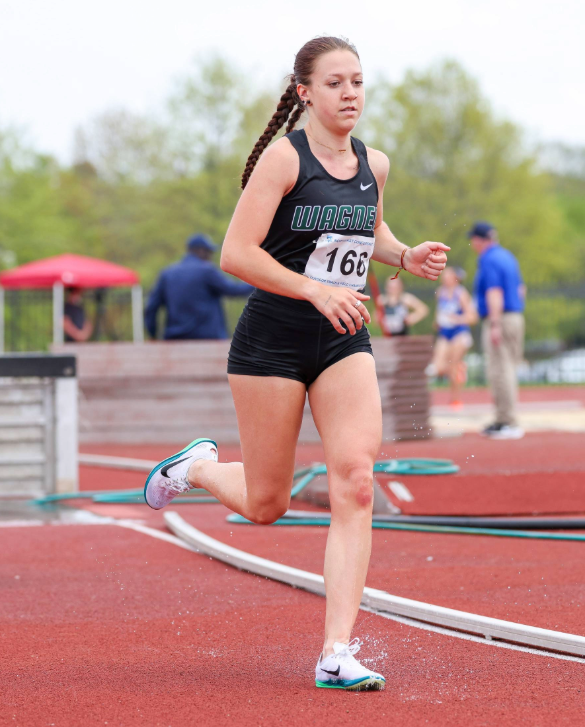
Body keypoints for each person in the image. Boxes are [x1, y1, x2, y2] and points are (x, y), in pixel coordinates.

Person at [140, 37, 449, 691]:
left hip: (342, 339)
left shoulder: (375, 162)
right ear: (305, 92)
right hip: (273, 343)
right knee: (265, 502)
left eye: (358, 82)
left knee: (357, 481)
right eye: (335, 83)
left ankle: (337, 649)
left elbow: (369, 231)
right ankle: (194, 466)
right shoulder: (284, 160)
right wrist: (313, 288)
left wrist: (404, 256)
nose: (351, 95)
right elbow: (236, 253)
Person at [469, 221, 526, 439]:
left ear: (481, 240)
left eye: (474, 239)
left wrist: (494, 323)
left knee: (500, 370)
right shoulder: (507, 256)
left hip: (500, 317)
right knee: (508, 368)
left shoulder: (488, 258)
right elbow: (521, 289)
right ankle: (505, 418)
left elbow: (494, 292)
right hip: (515, 316)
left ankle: (507, 421)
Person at [144, 234, 256, 340]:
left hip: (175, 340)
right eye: (209, 252)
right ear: (201, 251)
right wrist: (257, 282)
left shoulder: (167, 274)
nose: (210, 257)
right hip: (209, 340)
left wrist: (152, 333)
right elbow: (235, 290)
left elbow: (151, 307)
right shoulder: (207, 271)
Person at [425, 266, 477, 409]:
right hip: (445, 333)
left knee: (454, 364)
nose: (444, 277)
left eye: (448, 275)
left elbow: (472, 317)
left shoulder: (461, 293)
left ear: (455, 278)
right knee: (438, 367)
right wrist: (437, 321)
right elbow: (439, 311)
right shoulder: (440, 292)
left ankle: (455, 399)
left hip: (459, 332)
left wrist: (456, 319)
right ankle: (459, 370)